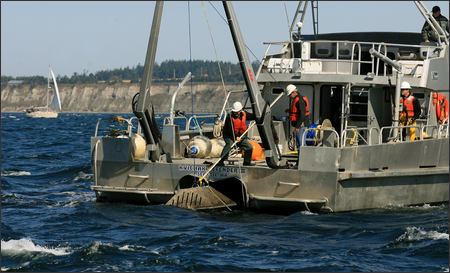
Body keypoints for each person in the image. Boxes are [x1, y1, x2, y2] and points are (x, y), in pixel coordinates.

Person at [217, 101, 255, 166]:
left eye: (237, 111)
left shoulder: (244, 114)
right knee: (229, 145)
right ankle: (221, 161)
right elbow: (230, 130)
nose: (236, 113)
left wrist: (257, 117)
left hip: (240, 136)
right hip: (229, 136)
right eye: (235, 112)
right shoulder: (229, 117)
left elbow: (252, 116)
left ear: (241, 110)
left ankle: (247, 162)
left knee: (249, 147)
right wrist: (236, 137)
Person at [286, 84, 311, 149]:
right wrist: (289, 111)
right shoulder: (297, 99)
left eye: (290, 95)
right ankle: (300, 158)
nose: (289, 97)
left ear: (294, 92)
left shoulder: (300, 100)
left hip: (301, 125)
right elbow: (298, 111)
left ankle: (303, 158)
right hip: (299, 125)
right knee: (299, 143)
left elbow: (302, 114)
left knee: (301, 144)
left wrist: (297, 126)